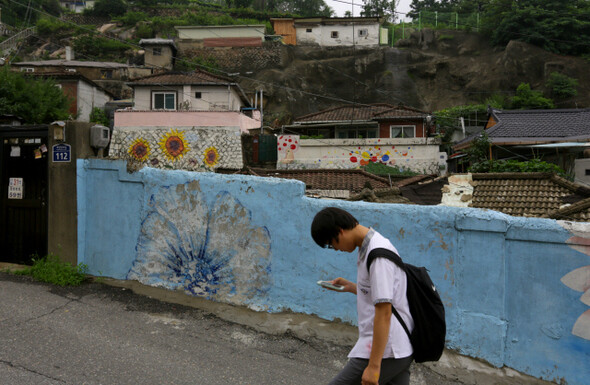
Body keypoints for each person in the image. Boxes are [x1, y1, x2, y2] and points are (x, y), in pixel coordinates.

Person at [311, 207, 414, 385]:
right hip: (397, 348)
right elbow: (384, 294)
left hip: (387, 350)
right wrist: (351, 287)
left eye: (330, 244)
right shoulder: (368, 247)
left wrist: (374, 367)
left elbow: (384, 312)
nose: (335, 249)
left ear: (339, 231)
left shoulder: (378, 255)